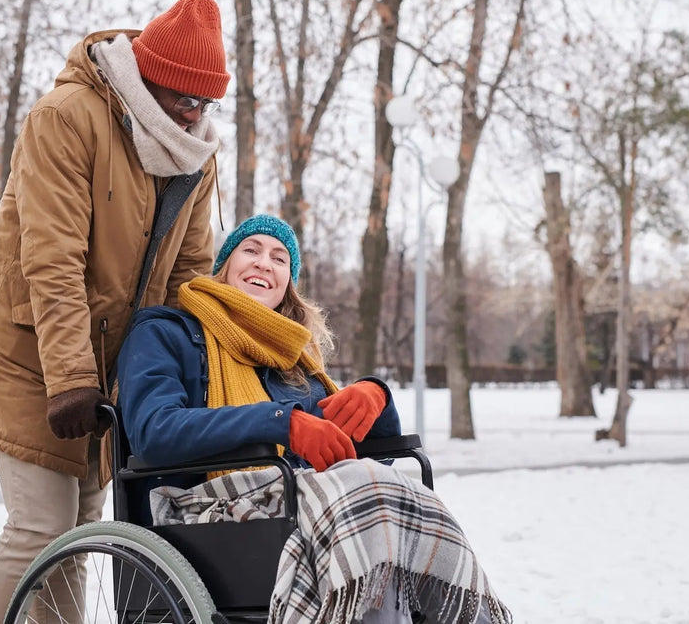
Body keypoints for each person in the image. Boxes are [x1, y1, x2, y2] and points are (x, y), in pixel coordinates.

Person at [0, 0, 231, 624]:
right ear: (146, 75)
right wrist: (72, 379)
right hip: (30, 357)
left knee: (80, 531)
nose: (192, 115)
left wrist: (190, 372)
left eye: (204, 102)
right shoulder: (66, 118)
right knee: (40, 529)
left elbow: (188, 277)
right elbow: (50, 261)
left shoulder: (193, 155)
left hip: (106, 366)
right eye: (181, 97)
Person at [117, 215, 511, 624]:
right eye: (250, 250)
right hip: (203, 512)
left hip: (299, 509)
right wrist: (279, 422)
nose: (264, 263)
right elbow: (154, 431)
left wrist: (376, 397)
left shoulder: (296, 363)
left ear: (287, 282)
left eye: (279, 259)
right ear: (225, 265)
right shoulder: (167, 333)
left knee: (395, 499)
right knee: (371, 510)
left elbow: (351, 458)